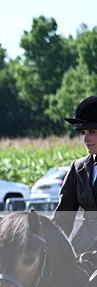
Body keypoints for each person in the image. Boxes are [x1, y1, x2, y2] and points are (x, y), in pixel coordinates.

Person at [53, 95, 97, 254]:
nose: (86, 138)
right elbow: (63, 218)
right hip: (83, 248)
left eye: (92, 131)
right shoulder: (78, 168)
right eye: (83, 132)